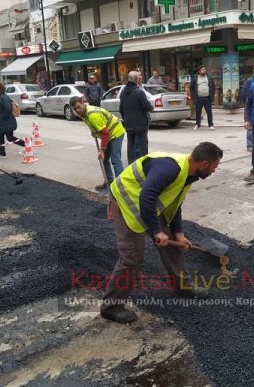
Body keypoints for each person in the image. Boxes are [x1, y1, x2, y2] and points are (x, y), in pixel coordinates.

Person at [101, 141, 223, 323]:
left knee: (174, 243)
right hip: (125, 203)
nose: (214, 171)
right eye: (214, 167)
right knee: (131, 259)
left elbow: (173, 204)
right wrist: (156, 231)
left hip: (147, 205)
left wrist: (179, 232)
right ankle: (111, 306)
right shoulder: (169, 168)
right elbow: (146, 196)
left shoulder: (188, 173)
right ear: (205, 164)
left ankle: (183, 285)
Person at [70, 96, 125, 189]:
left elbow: (105, 132)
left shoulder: (92, 115)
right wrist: (94, 132)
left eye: (78, 107)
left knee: (115, 160)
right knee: (104, 159)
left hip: (116, 132)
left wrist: (102, 150)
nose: (77, 110)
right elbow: (100, 128)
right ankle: (110, 183)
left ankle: (121, 187)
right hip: (108, 133)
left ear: (82, 103)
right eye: (75, 109)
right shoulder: (84, 113)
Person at [120, 70, 154, 164]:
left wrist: (126, 119)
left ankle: (132, 166)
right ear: (136, 79)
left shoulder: (123, 92)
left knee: (131, 146)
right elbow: (147, 107)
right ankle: (141, 168)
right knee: (141, 148)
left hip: (129, 123)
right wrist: (151, 107)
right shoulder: (139, 92)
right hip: (140, 124)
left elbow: (121, 108)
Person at [0, 81, 24, 160]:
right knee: (0, 138)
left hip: (6, 122)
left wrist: (1, 117)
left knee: (10, 138)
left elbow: (8, 109)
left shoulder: (3, 97)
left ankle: (26, 145)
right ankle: (2, 153)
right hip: (2, 123)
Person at [241, 65, 254, 152]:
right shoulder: (250, 81)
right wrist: (248, 105)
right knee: (250, 127)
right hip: (252, 108)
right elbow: (244, 94)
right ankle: (250, 145)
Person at [190, 65, 216, 130]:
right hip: (198, 98)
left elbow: (213, 86)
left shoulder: (208, 77)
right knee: (198, 112)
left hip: (207, 98)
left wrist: (212, 94)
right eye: (202, 70)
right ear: (199, 71)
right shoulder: (195, 78)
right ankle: (197, 125)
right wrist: (193, 96)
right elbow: (191, 87)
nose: (204, 70)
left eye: (204, 69)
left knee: (209, 112)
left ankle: (211, 125)